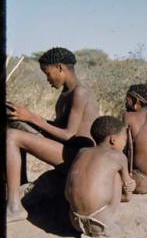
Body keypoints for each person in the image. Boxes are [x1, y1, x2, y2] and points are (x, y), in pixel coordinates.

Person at [6, 47, 99, 223]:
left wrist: (32, 117)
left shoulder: (80, 93)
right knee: (13, 120)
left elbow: (69, 135)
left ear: (60, 68)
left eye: (48, 74)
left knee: (12, 136)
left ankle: (14, 208)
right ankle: (19, 187)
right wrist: (27, 119)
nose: (48, 79)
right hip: (67, 151)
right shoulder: (66, 94)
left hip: (77, 158)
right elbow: (58, 128)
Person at [65, 116, 135, 238]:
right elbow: (128, 195)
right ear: (113, 139)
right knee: (116, 174)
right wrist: (131, 185)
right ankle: (107, 218)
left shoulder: (82, 151)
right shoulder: (119, 156)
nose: (125, 143)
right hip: (101, 223)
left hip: (75, 221)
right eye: (123, 139)